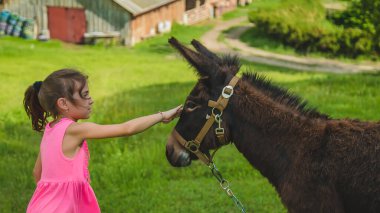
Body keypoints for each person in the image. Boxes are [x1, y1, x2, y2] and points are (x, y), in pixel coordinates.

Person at [23, 69, 182, 212]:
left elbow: (37, 173)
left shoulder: (50, 130)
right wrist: (163, 115)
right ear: (63, 103)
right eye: (84, 95)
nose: (90, 100)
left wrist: (54, 194)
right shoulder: (74, 130)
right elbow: (127, 128)